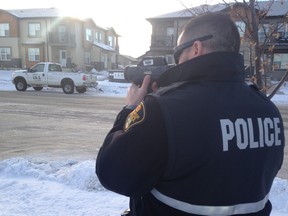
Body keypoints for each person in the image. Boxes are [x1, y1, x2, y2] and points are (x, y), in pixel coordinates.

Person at [96, 12, 285, 216]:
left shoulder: (163, 110)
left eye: (178, 54)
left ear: (196, 48)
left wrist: (130, 109)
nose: (177, 63)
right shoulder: (268, 110)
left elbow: (112, 174)